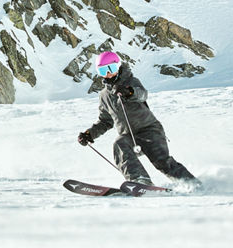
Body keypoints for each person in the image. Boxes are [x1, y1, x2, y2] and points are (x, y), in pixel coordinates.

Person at [78, 51, 200, 187]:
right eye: (102, 71)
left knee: (162, 162)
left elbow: (143, 95)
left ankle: (192, 183)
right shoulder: (104, 95)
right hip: (129, 135)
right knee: (120, 144)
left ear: (117, 66)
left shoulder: (131, 82)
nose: (108, 74)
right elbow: (105, 121)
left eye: (110, 69)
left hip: (149, 130)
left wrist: (130, 92)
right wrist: (89, 134)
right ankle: (139, 180)